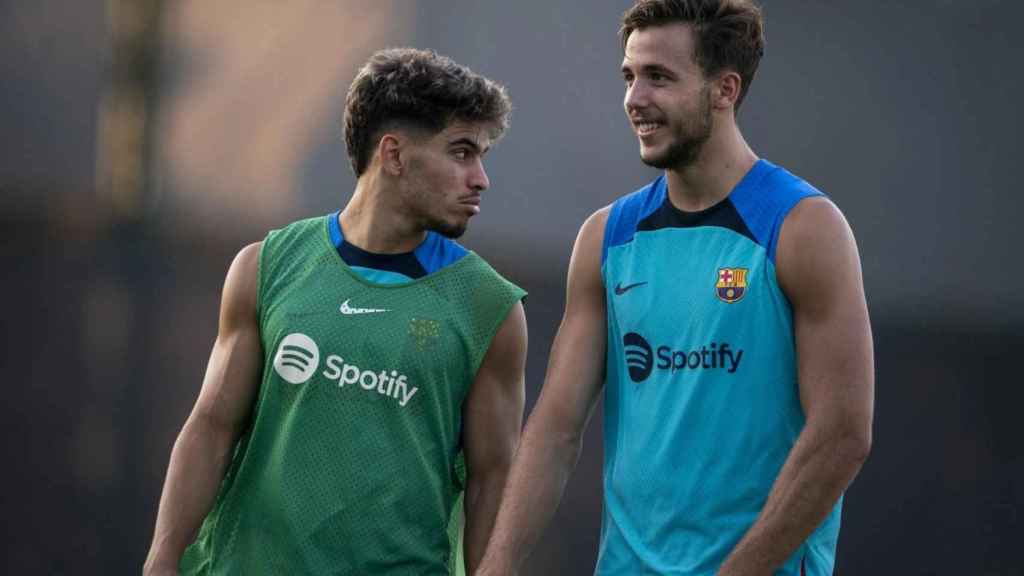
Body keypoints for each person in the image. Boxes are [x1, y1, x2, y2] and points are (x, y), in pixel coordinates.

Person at [477, 1, 874, 574]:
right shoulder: (606, 238)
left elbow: (841, 436)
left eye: (659, 77)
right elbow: (556, 430)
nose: (635, 99)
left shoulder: (803, 227)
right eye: (629, 76)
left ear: (724, 89)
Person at [143, 48, 527, 576]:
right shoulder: (266, 267)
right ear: (393, 154)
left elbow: (494, 484)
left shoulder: (490, 308)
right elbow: (211, 426)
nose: (480, 178)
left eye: (481, 156)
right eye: (461, 152)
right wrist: (162, 558)